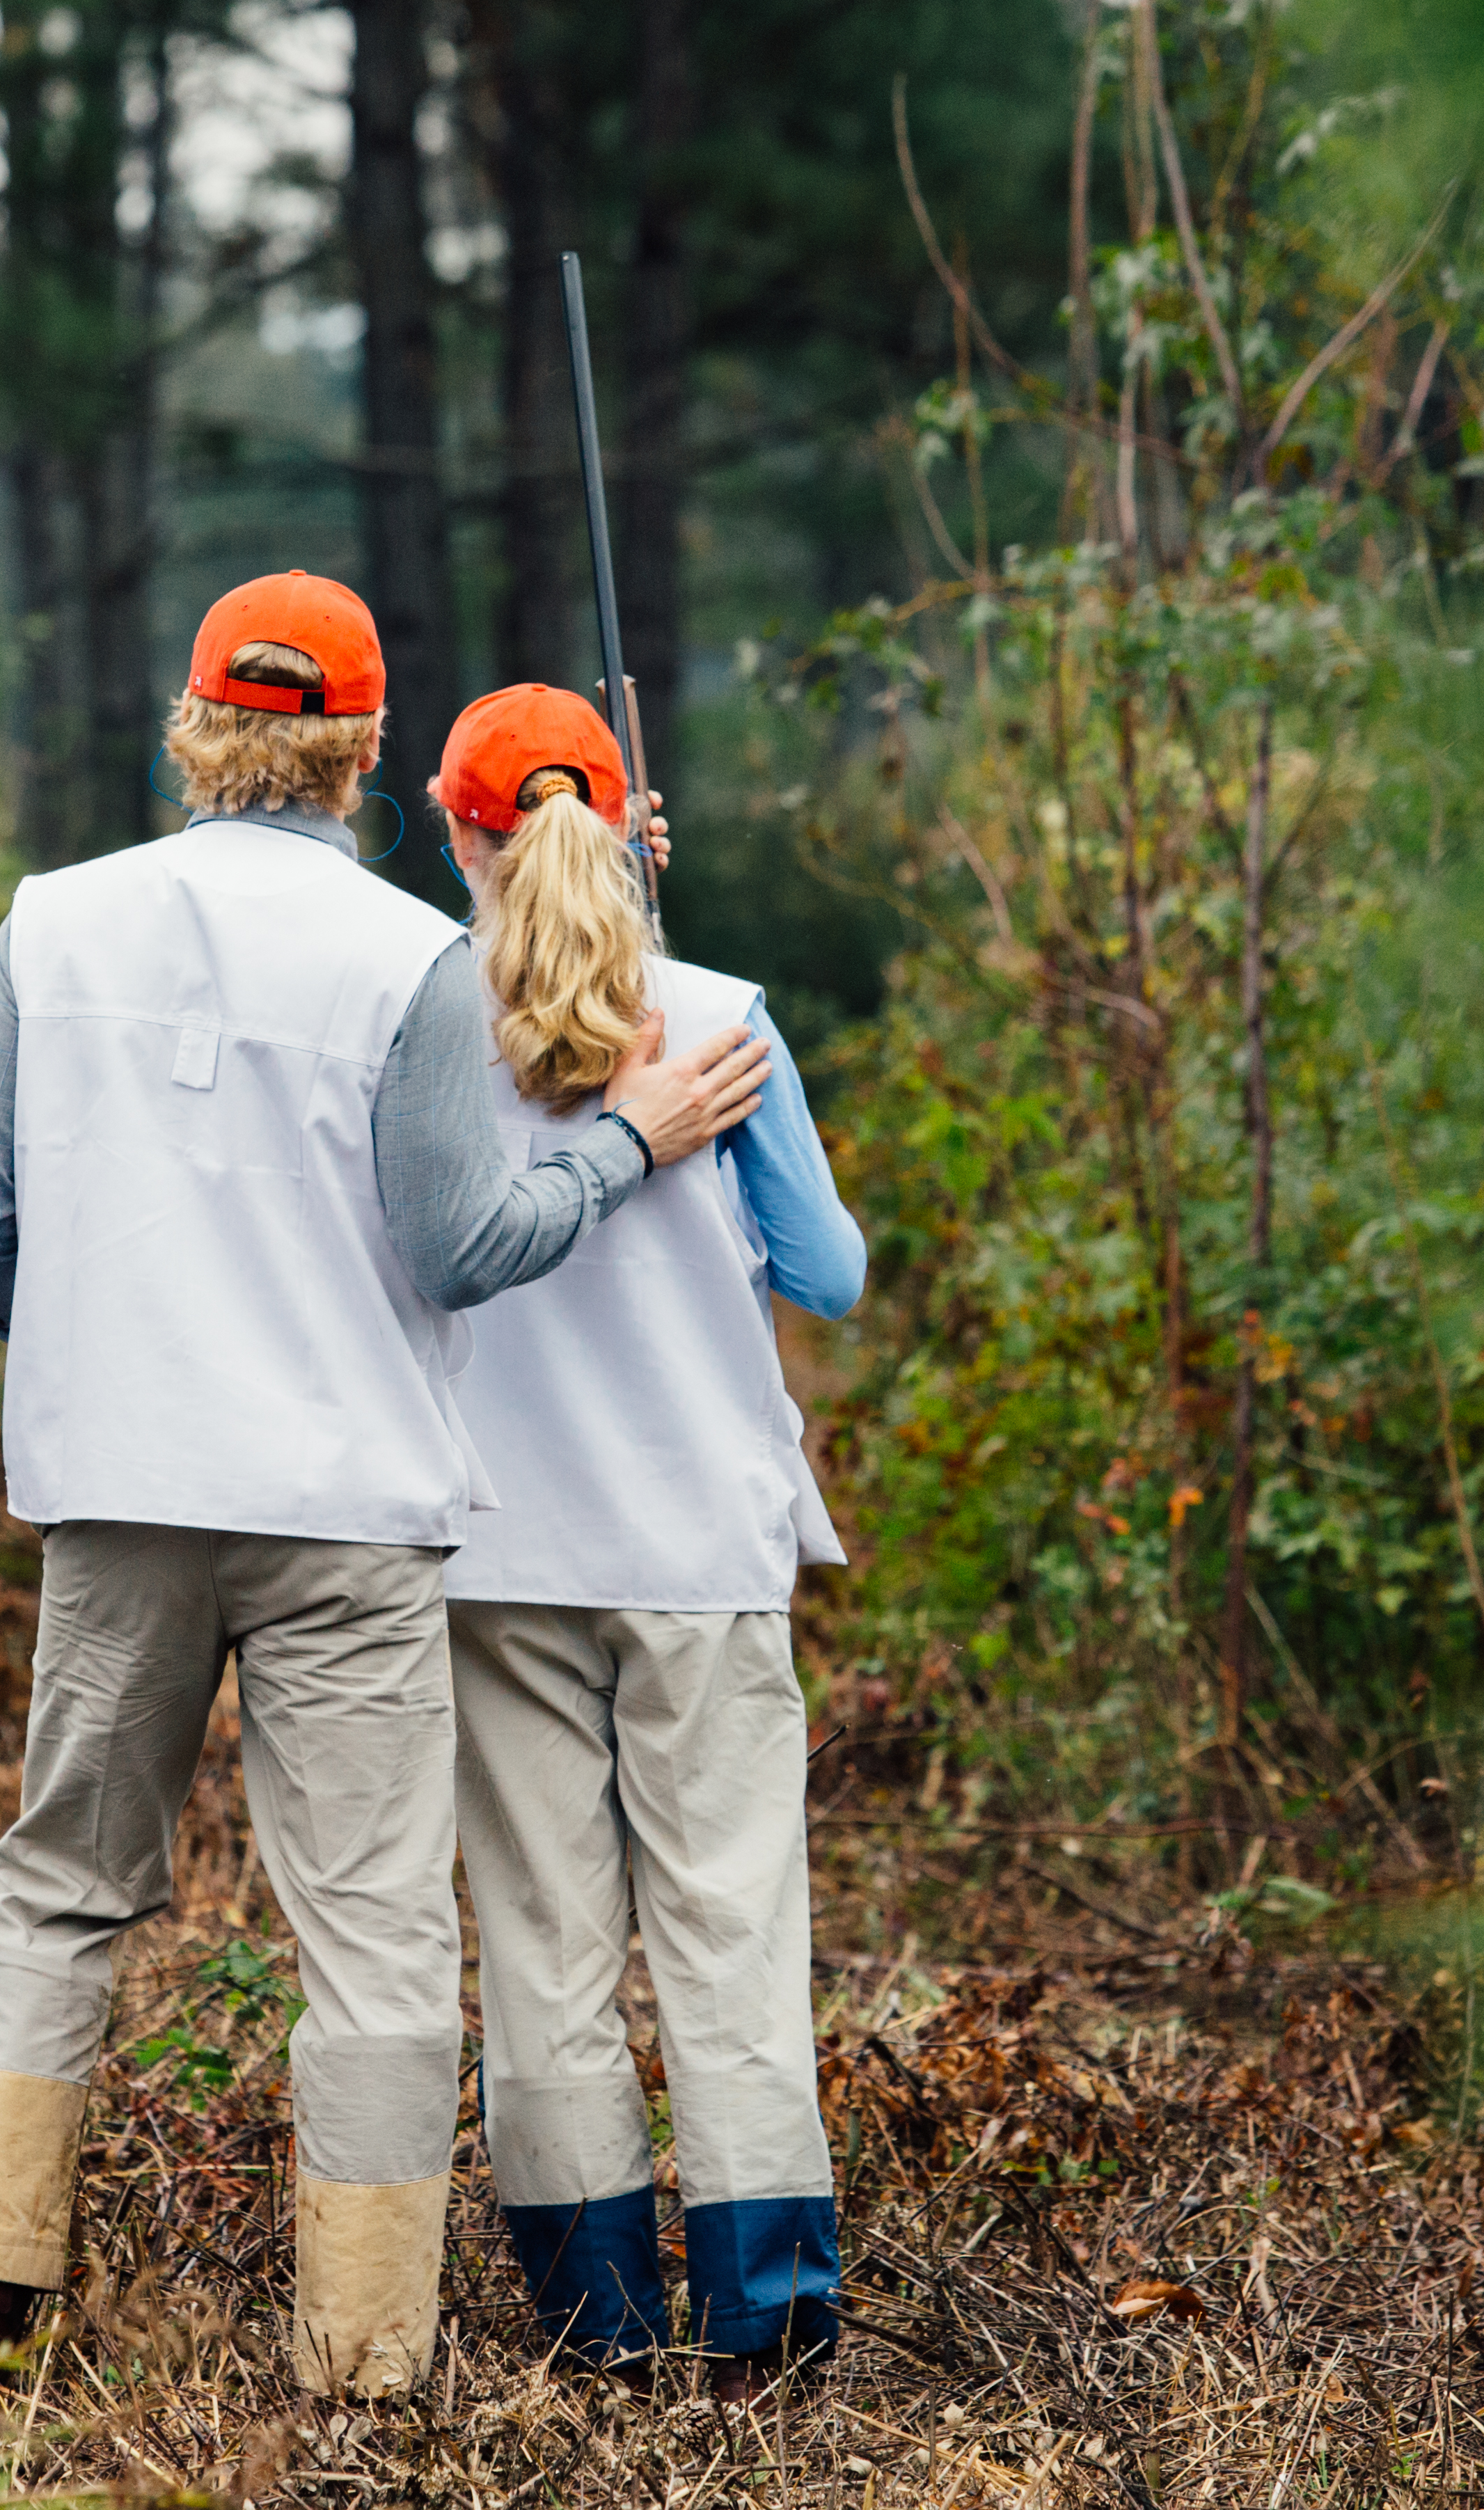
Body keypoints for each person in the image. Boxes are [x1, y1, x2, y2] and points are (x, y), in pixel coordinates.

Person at [0, 576, 773, 2398]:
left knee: (60, 1883)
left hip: (121, 1492)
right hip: (347, 1521)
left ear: (192, 720)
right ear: (367, 747)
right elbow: (467, 1244)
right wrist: (631, 1139)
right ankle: (365, 2364)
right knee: (371, 1944)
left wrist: (79, 1350)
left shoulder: (54, 926)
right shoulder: (407, 962)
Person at [424, 683, 867, 2407]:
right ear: (624, 827)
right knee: (731, 1928)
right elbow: (823, 1275)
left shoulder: (419, 1019)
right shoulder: (725, 1019)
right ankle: (764, 2328)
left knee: (541, 1937)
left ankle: (598, 2325)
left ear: (458, 832)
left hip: (499, 1550)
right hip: (700, 1548)